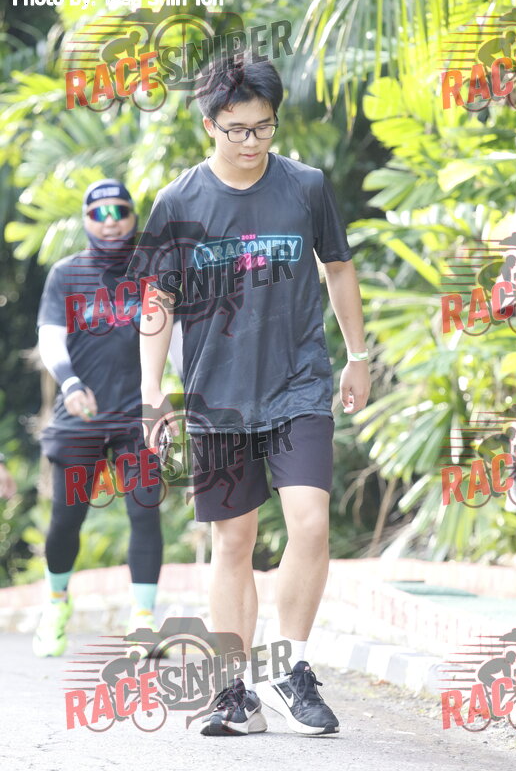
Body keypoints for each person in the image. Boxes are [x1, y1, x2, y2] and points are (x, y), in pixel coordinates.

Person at [133, 56, 371, 736]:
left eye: (263, 127)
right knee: (233, 540)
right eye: (236, 129)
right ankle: (235, 693)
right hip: (218, 395)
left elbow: (338, 268)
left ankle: (287, 667)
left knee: (310, 524)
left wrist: (357, 357)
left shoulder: (305, 186)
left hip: (299, 383)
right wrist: (152, 392)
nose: (251, 141)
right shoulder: (179, 202)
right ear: (209, 124)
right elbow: (157, 300)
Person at [33, 179, 181, 658]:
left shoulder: (151, 274)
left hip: (138, 416)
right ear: (85, 220)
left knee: (144, 510)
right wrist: (70, 383)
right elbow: (50, 337)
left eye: (119, 211)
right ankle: (56, 602)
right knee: (66, 519)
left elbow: (174, 338)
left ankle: (143, 620)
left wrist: (177, 398)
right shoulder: (66, 274)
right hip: (82, 414)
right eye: (99, 214)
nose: (110, 221)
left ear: (134, 217)